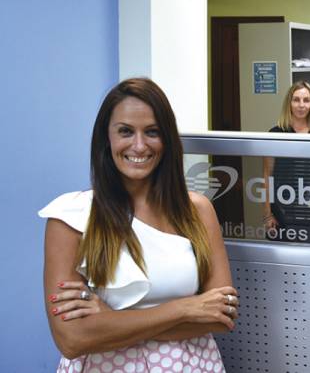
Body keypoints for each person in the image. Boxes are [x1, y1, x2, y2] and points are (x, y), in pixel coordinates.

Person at [40, 78, 237, 372]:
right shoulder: (72, 216)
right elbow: (72, 338)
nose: (139, 145)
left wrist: (110, 321)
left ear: (167, 139)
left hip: (192, 365)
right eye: (125, 132)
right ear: (106, 138)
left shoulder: (196, 210)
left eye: (152, 132)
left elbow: (220, 317)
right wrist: (184, 308)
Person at [263, 80, 310, 242]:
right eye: (296, 100)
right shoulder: (275, 133)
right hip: (281, 207)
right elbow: (267, 176)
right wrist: (268, 215)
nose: (301, 105)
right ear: (289, 103)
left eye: (306, 100)